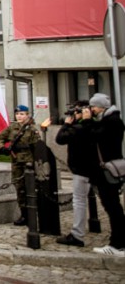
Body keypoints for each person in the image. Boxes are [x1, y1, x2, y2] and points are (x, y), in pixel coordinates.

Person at [84, 93, 125, 256]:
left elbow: (94, 136)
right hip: (107, 169)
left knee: (113, 207)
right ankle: (119, 240)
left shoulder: (112, 122)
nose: (91, 109)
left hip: (108, 170)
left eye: (93, 106)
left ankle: (118, 244)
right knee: (113, 207)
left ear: (101, 107)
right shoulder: (109, 120)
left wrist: (87, 121)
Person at [54, 100, 96, 247]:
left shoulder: (80, 128)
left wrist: (66, 124)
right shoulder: (90, 126)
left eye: (76, 112)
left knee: (79, 201)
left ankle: (77, 234)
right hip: (90, 168)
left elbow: (59, 139)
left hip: (82, 168)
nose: (73, 115)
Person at [0, 104, 41, 225]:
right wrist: (3, 147)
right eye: (17, 114)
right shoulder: (12, 127)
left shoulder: (32, 129)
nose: (19, 116)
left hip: (28, 162)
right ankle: (24, 215)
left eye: (22, 114)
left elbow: (37, 146)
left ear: (27, 115)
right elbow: (0, 138)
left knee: (30, 188)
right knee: (19, 188)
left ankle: (33, 214)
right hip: (16, 161)